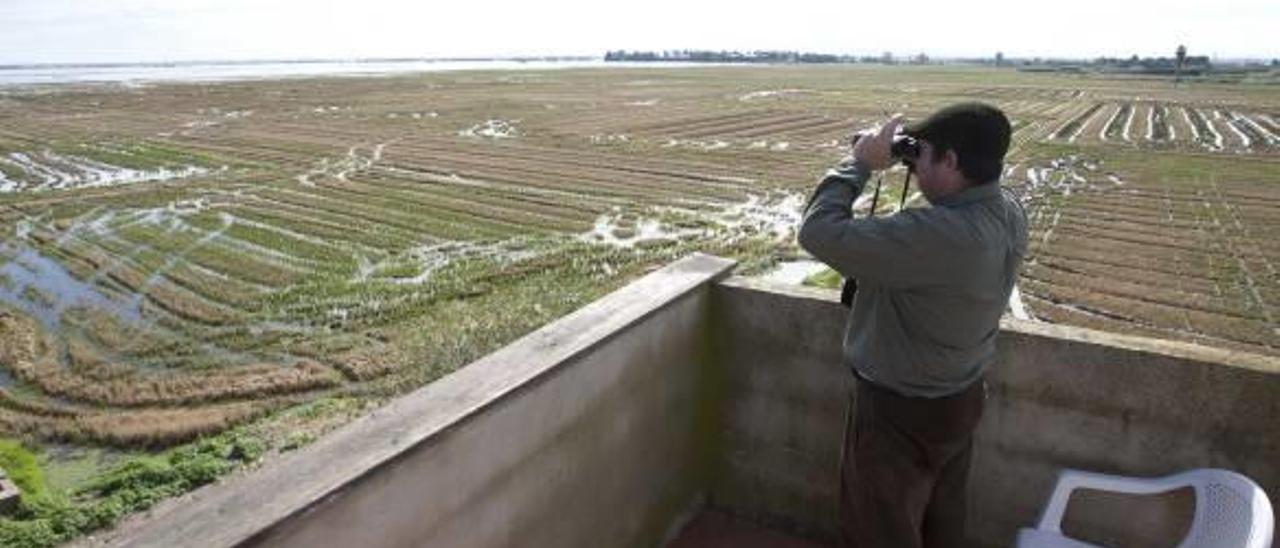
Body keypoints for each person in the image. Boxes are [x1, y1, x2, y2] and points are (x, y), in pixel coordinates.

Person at [797, 103, 1027, 548]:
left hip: (898, 413)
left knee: (880, 525)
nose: (915, 169)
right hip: (960, 397)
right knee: (942, 519)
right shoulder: (1009, 210)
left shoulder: (942, 236)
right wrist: (914, 152)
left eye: (922, 157)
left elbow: (818, 232)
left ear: (952, 161)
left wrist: (860, 163)